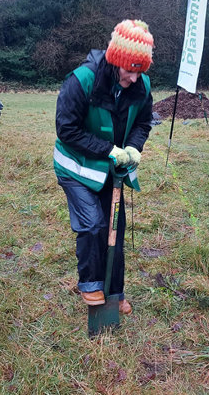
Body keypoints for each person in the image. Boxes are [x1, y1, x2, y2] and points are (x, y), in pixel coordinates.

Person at [54, 20, 154, 313]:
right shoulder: (82, 81)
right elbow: (66, 129)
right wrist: (109, 149)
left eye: (140, 71)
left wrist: (134, 146)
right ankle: (90, 285)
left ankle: (115, 293)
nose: (134, 79)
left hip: (110, 170)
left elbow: (144, 122)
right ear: (115, 62)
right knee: (94, 224)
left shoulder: (141, 84)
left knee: (115, 229)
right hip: (74, 166)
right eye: (129, 70)